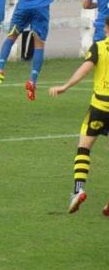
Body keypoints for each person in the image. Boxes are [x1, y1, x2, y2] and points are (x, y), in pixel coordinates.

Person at [48, 16, 109, 215]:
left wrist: (65, 87)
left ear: (107, 28)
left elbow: (84, 70)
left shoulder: (99, 47)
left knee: (84, 148)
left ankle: (78, 190)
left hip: (99, 106)